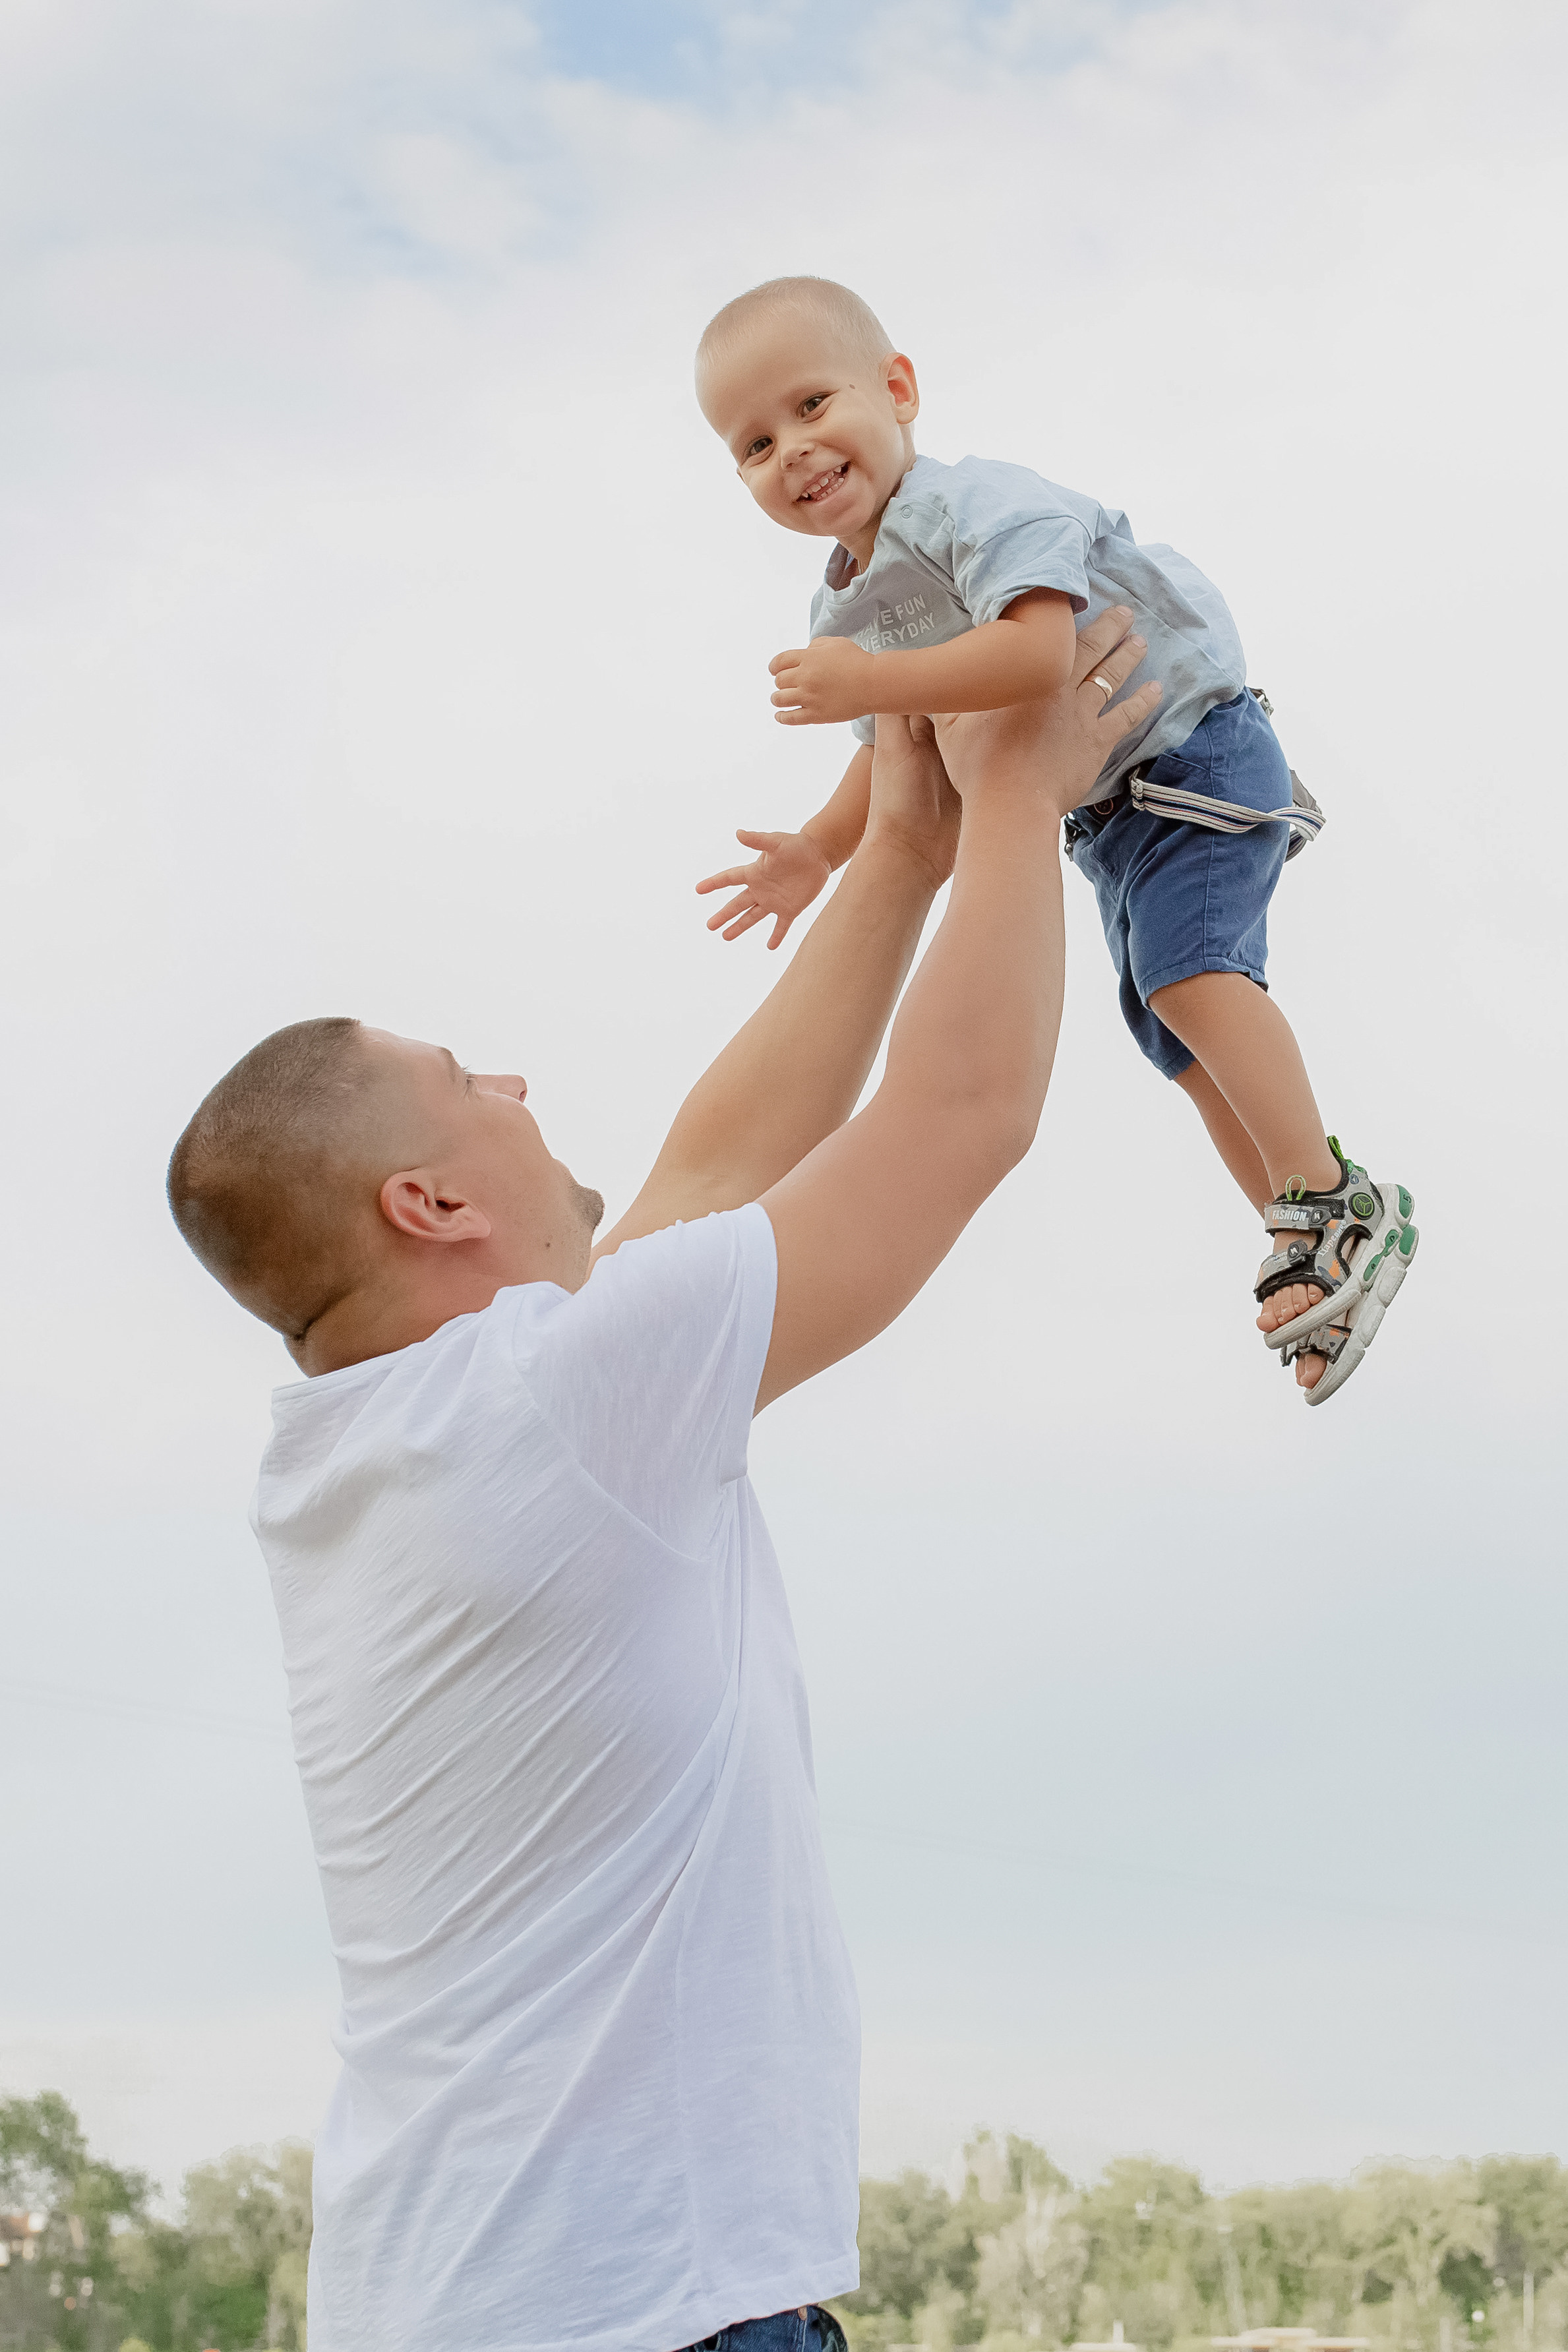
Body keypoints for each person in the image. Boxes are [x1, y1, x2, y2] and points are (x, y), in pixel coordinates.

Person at [164, 611, 1158, 2352]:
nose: (521, 1086)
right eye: (470, 1083)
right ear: (430, 1204)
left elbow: (717, 1160)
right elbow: (963, 1113)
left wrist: (906, 845)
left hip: (448, 2298)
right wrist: (1021, 791)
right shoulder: (557, 1406)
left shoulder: (378, 1447)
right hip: (636, 2314)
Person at [693, 276, 1418, 1406]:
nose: (790, 450)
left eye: (810, 405)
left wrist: (873, 680)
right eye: (750, 444)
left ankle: (1333, 1199)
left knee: (1188, 980)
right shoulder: (851, 605)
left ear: (897, 389)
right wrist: (818, 850)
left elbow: (1035, 657)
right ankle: (1301, 1228)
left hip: (1191, 750)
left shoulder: (978, 506)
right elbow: (900, 748)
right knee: (1171, 1034)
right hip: (1109, 811)